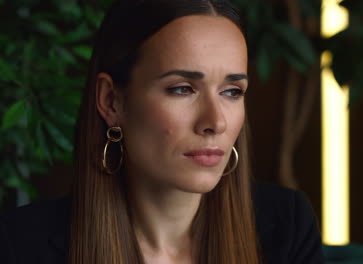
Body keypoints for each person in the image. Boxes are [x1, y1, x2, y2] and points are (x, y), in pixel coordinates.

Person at [0, 0, 324, 263]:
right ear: (111, 101)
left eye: (232, 91)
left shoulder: (286, 226)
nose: (217, 122)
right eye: (182, 89)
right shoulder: (21, 245)